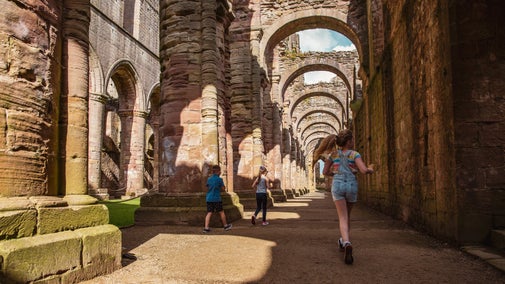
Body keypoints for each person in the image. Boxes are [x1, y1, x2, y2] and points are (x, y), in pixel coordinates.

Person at [318, 129, 374, 265]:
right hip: (351, 185)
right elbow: (363, 170)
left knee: (342, 218)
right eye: (352, 140)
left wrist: (335, 174)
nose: (353, 142)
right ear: (348, 141)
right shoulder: (355, 154)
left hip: (338, 185)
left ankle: (346, 242)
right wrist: (370, 169)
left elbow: (325, 171)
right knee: (347, 216)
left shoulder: (333, 155)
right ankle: (344, 240)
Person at [203, 165, 232, 233]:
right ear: (218, 171)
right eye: (220, 171)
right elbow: (223, 189)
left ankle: (206, 228)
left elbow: (207, 187)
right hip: (216, 198)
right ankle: (225, 226)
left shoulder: (209, 179)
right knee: (221, 212)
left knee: (209, 213)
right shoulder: (219, 179)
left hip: (209, 198)